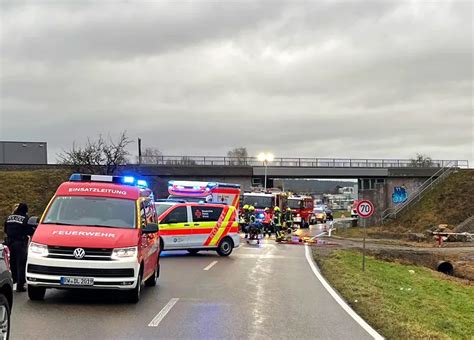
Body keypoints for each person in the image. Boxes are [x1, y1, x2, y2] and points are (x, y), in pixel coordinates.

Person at [4, 203, 35, 292]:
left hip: (9, 242)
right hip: (20, 243)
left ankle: (14, 281)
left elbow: (6, 229)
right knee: (21, 264)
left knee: (12, 263)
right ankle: (20, 285)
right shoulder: (25, 219)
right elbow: (29, 231)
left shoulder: (9, 217)